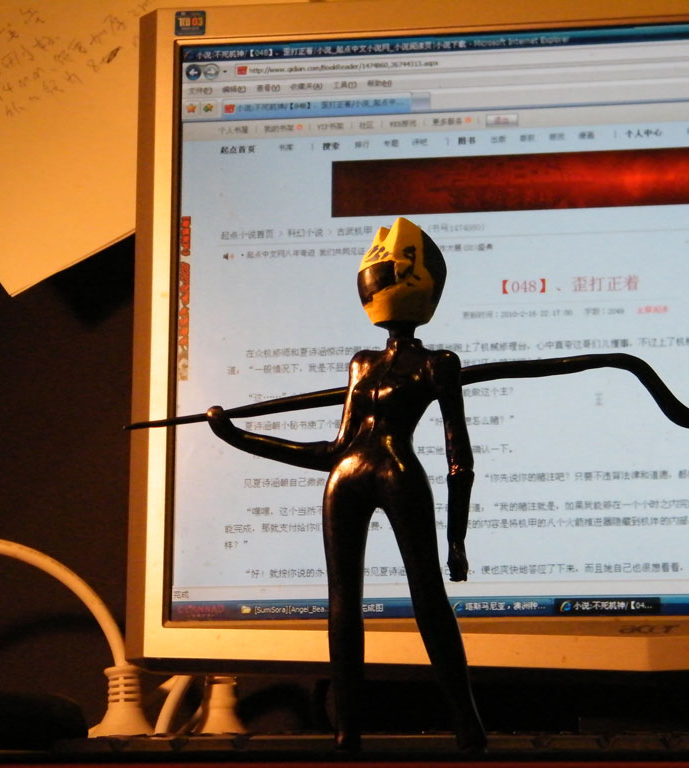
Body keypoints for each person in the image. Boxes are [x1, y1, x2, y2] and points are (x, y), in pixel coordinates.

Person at [206, 218, 485, 751]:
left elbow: (459, 460)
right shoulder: (363, 363)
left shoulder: (439, 364)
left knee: (427, 598)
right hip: (353, 476)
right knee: (345, 603)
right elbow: (334, 452)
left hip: (391, 474)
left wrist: (457, 541)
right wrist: (235, 436)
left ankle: (467, 728)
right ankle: (348, 731)